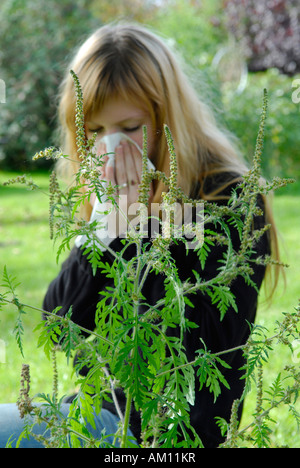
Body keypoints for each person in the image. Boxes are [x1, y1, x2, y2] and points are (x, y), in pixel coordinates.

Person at [0, 22, 280, 448]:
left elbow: (200, 352)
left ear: (168, 116)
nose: (113, 148)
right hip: (101, 411)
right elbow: (59, 329)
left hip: (167, 435)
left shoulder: (229, 198)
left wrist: (143, 230)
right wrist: (104, 230)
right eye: (95, 132)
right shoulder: (109, 203)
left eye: (130, 128)